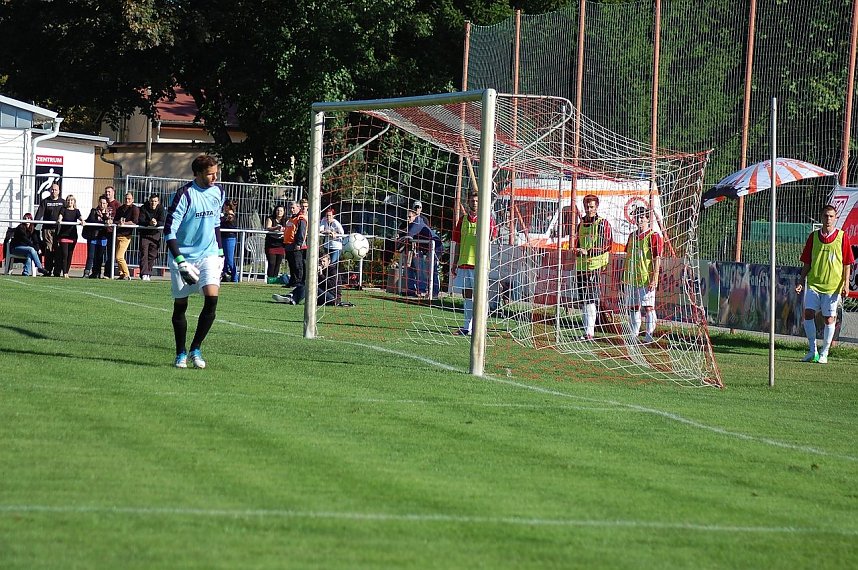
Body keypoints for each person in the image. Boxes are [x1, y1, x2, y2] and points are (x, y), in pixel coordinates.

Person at [164, 154, 225, 369]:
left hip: (208, 254)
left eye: (216, 173)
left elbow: (216, 223)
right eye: (210, 174)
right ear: (197, 173)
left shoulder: (218, 192)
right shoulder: (184, 195)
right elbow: (169, 231)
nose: (214, 177)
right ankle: (180, 352)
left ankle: (195, 348)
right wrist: (180, 261)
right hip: (183, 256)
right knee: (181, 305)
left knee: (212, 298)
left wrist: (220, 253)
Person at [795, 204, 854, 364]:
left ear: (835, 218)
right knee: (808, 314)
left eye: (831, 216)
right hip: (813, 284)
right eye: (825, 216)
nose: (828, 219)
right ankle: (812, 351)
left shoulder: (842, 237)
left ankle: (825, 352)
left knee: (829, 319)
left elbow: (847, 264)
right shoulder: (813, 237)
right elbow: (807, 262)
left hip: (832, 287)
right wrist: (801, 281)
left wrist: (846, 284)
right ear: (821, 217)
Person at [451, 191, 497, 335]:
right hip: (464, 263)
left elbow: (493, 237)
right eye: (472, 200)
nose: (475, 203)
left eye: (477, 201)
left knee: (481, 296)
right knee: (467, 296)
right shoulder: (462, 220)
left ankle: (481, 327)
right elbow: (458, 243)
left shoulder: (487, 220)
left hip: (480, 265)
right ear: (468, 202)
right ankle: (467, 327)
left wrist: (488, 226)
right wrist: (454, 262)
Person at [574, 194, 613, 340]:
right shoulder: (581, 224)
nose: (589, 209)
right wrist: (577, 250)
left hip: (595, 265)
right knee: (583, 299)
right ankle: (586, 331)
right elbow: (577, 243)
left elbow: (606, 245)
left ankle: (590, 332)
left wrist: (588, 251)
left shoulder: (603, 223)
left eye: (591, 207)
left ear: (596, 207)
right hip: (581, 265)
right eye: (586, 207)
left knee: (590, 298)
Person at [622, 206, 662, 343]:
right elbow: (627, 256)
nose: (638, 220)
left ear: (647, 219)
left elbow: (657, 258)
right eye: (636, 217)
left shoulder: (654, 236)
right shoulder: (632, 236)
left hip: (646, 278)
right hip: (631, 278)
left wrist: (654, 278)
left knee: (648, 307)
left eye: (641, 217)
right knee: (633, 307)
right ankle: (634, 334)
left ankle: (649, 336)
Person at [272, 251, 349, 306]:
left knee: (310, 286)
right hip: (320, 297)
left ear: (329, 262)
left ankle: (293, 299)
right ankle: (290, 296)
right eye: (320, 261)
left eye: (324, 261)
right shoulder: (317, 269)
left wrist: (321, 275)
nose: (321, 263)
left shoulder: (333, 271)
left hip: (332, 298)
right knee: (307, 284)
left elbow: (331, 286)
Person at [400, 208, 443, 298]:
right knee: (419, 268)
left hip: (436, 247)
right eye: (407, 217)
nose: (408, 219)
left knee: (431, 268)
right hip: (426, 248)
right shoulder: (411, 224)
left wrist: (400, 242)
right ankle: (419, 290)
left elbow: (409, 235)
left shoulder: (418, 223)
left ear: (415, 216)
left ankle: (434, 293)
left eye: (410, 217)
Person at [34, 182, 64, 276]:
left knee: (58, 250)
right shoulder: (45, 201)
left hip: (59, 230)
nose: (53, 191)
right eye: (52, 189)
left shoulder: (63, 202)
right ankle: (47, 270)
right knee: (48, 249)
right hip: (47, 230)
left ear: (59, 191)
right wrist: (33, 225)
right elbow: (39, 214)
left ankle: (57, 271)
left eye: (55, 190)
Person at [55, 195, 84, 278]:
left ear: (74, 202)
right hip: (64, 235)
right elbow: (60, 216)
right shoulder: (63, 209)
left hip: (72, 236)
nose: (70, 202)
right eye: (68, 200)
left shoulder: (76, 211)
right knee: (65, 254)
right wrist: (59, 220)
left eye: (71, 200)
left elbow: (80, 217)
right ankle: (64, 272)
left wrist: (82, 221)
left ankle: (67, 271)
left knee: (70, 254)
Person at [138, 193, 166, 281]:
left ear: (158, 202)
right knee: (144, 254)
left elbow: (163, 221)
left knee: (152, 255)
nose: (153, 203)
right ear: (149, 201)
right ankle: (144, 274)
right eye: (152, 201)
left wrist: (156, 223)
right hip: (145, 234)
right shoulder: (143, 208)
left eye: (155, 201)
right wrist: (149, 223)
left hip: (155, 234)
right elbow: (141, 220)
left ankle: (148, 273)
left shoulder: (161, 209)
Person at [83, 196, 112, 279]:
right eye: (101, 203)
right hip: (93, 236)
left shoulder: (109, 213)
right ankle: (87, 272)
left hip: (103, 237)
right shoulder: (94, 211)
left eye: (104, 203)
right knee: (91, 256)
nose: (102, 205)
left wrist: (106, 219)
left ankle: (97, 273)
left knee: (99, 256)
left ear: (107, 204)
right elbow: (92, 220)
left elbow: (110, 223)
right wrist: (104, 222)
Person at [114, 192, 139, 280]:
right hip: (117, 234)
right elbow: (115, 220)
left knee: (119, 256)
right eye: (126, 199)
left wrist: (124, 223)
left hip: (126, 236)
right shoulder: (120, 208)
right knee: (117, 256)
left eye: (129, 199)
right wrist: (119, 222)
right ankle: (121, 274)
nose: (127, 200)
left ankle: (126, 274)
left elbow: (135, 221)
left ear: (132, 200)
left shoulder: (134, 208)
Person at [282, 200, 307, 286]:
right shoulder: (291, 219)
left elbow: (301, 232)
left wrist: (299, 244)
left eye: (293, 208)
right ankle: (292, 281)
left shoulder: (301, 219)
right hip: (288, 244)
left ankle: (298, 282)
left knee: (298, 265)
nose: (291, 210)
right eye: (290, 208)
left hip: (295, 245)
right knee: (291, 265)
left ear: (298, 208)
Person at [264, 204, 287, 283]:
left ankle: (275, 279)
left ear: (284, 212)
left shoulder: (286, 220)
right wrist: (276, 228)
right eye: (278, 210)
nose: (279, 212)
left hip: (281, 244)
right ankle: (270, 279)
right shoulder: (270, 218)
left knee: (278, 263)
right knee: (272, 263)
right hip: (271, 244)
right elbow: (268, 227)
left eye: (281, 211)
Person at [102, 186, 120, 277]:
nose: (107, 193)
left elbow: (120, 218)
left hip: (112, 233)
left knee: (111, 253)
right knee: (100, 253)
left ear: (113, 192)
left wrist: (113, 221)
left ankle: (108, 273)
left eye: (109, 191)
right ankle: (96, 272)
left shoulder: (117, 204)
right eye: (106, 191)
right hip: (102, 232)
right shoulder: (103, 202)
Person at [220, 199, 239, 282]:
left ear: (228, 207)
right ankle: (224, 275)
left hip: (229, 239)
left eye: (225, 206)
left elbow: (223, 221)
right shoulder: (225, 215)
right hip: (223, 238)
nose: (223, 207)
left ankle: (235, 278)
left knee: (229, 259)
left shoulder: (230, 216)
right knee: (223, 258)